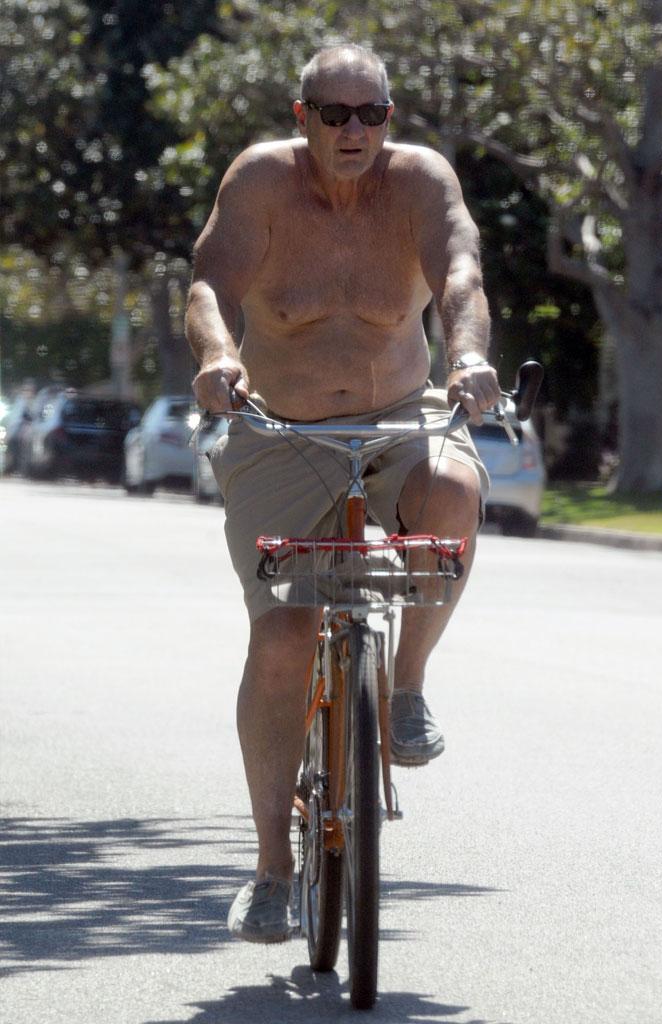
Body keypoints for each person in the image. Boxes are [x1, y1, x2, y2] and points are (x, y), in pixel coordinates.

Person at [185, 44, 501, 943]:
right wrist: (218, 354)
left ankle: (404, 687)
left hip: (399, 414)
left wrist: (470, 354)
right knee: (282, 641)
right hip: (280, 427)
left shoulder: (421, 184)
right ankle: (272, 869)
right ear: (302, 117)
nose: (354, 130)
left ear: (390, 119)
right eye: (335, 113)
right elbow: (210, 282)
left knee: (450, 491)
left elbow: (460, 280)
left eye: (372, 114)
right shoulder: (260, 184)